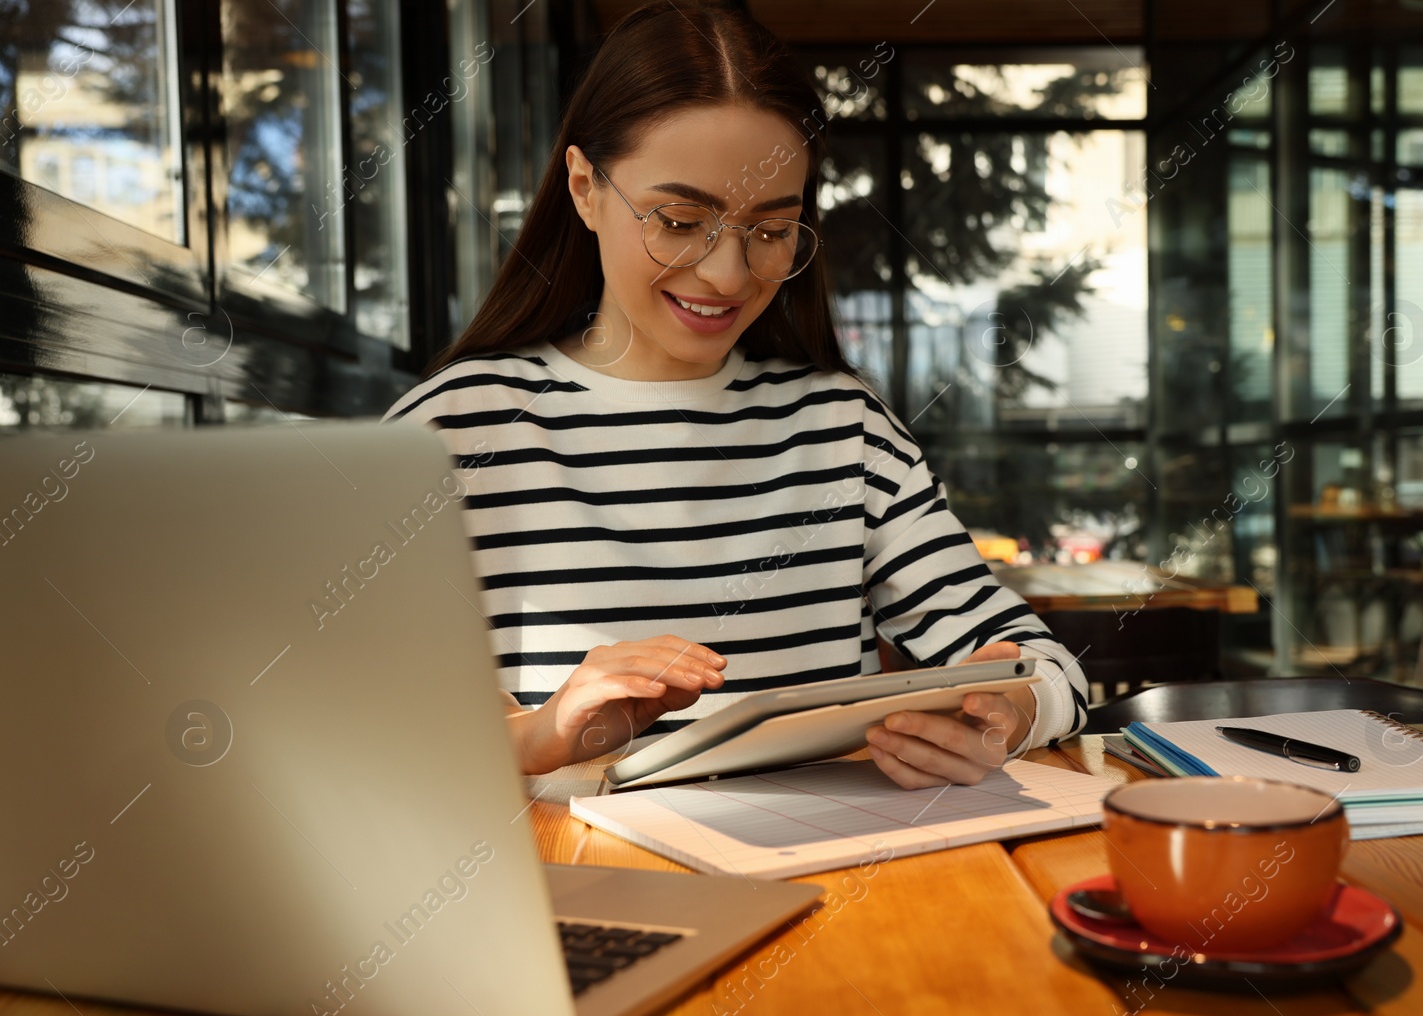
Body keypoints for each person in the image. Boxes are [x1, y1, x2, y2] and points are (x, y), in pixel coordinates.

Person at [385, 2, 1088, 789]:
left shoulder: (843, 429)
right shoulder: (447, 434)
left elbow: (1042, 663)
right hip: (569, 893)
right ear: (584, 188)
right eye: (681, 220)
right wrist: (539, 735)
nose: (727, 275)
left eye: (770, 228)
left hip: (832, 883)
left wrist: (1014, 710)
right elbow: (348, 735)